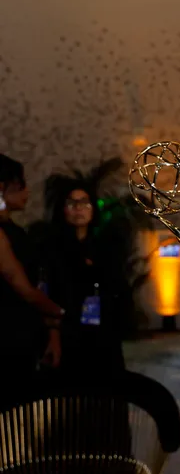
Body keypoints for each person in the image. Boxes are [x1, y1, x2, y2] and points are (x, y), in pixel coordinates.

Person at [41, 181, 128, 377]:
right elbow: (49, 291)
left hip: (103, 329)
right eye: (72, 203)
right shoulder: (51, 247)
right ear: (63, 209)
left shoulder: (106, 244)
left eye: (84, 203)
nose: (79, 209)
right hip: (69, 330)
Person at [0, 154, 63, 395]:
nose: (27, 190)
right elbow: (24, 289)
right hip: (8, 336)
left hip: (22, 332)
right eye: (20, 184)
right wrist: (59, 313)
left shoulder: (14, 230)